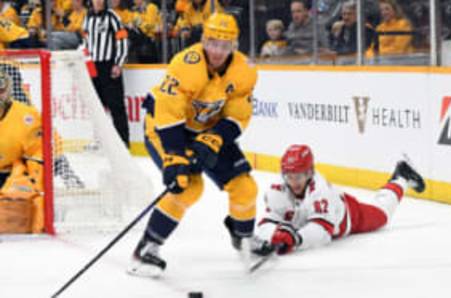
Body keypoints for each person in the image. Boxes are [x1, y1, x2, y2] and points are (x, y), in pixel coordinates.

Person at [128, 12, 258, 277]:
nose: (217, 51)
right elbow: (168, 111)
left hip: (204, 129)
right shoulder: (186, 64)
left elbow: (238, 115)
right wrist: (175, 156)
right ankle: (147, 248)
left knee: (245, 188)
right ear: (203, 40)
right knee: (188, 187)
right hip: (165, 129)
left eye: (224, 45)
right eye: (212, 43)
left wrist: (214, 139)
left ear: (234, 46)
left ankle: (244, 239)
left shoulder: (244, 70)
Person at [253, 144, 425, 256]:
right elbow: (266, 223)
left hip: (348, 216)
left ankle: (401, 178)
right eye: (289, 176)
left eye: (299, 176)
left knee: (382, 215)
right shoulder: (277, 189)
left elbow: (322, 233)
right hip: (308, 221)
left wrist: (296, 239)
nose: (293, 182)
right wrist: (273, 236)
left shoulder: (321, 191)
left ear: (309, 172)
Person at [0, 70, 44, 233]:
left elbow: (37, 155)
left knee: (18, 209)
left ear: (9, 89)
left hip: (12, 175)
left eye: (1, 90)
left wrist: (33, 186)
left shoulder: (28, 116)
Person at [83, 0, 130, 147]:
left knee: (116, 105)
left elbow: (122, 40)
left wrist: (118, 63)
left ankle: (123, 141)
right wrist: (86, 61)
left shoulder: (112, 17)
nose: (98, 2)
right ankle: (99, 139)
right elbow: (86, 42)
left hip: (109, 65)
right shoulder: (87, 17)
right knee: (96, 105)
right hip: (93, 66)